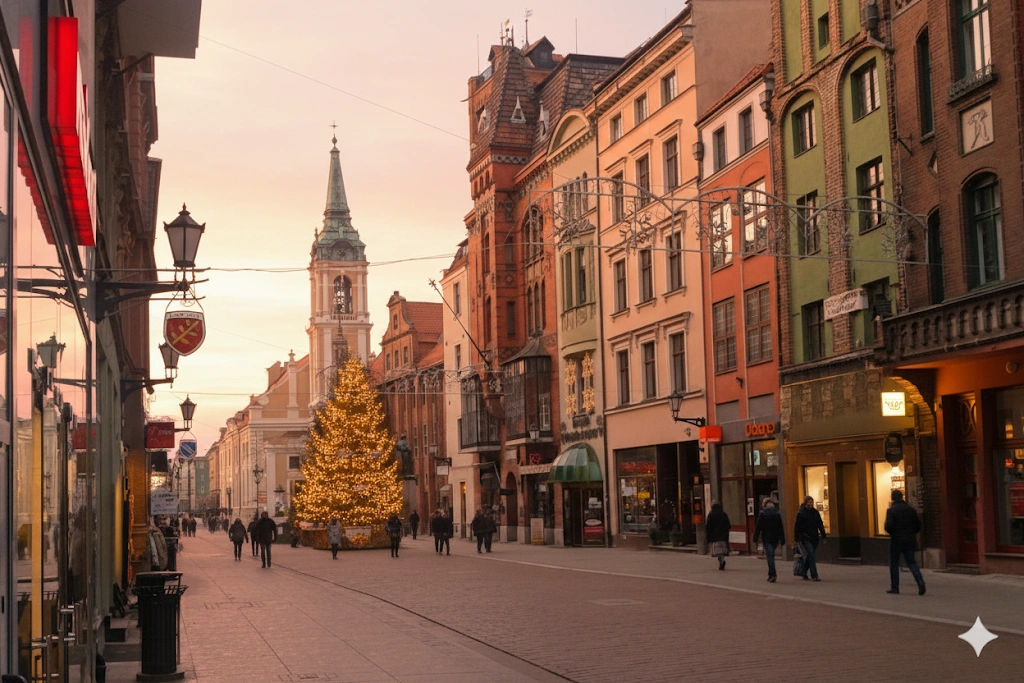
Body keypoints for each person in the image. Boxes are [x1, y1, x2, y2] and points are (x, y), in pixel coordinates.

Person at [885, 490, 926, 595]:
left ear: (893, 498)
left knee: (894, 563)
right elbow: (918, 525)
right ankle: (920, 581)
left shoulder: (891, 510)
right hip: (910, 539)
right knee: (911, 562)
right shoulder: (911, 510)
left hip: (897, 540)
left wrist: (893, 532)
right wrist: (911, 532)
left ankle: (895, 587)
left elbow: (888, 526)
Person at [794, 495, 827, 581]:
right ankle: (814, 575)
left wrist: (823, 536)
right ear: (805, 503)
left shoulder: (815, 512)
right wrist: (796, 539)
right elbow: (797, 527)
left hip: (815, 537)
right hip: (805, 538)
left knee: (810, 555)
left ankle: (804, 571)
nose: (811, 504)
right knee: (811, 553)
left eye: (812, 502)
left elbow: (820, 524)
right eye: (809, 502)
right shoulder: (801, 513)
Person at [753, 500, 785, 582]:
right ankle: (771, 574)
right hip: (775, 538)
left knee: (770, 556)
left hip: (766, 538)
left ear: (765, 505)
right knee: (771, 555)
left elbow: (758, 527)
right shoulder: (777, 514)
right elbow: (781, 527)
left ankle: (773, 574)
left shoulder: (762, 514)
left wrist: (755, 538)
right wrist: (782, 539)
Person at [705, 501, 731, 570]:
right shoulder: (723, 514)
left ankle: (721, 560)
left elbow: (708, 527)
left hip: (715, 536)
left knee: (717, 550)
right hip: (723, 536)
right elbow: (728, 525)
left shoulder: (711, 515)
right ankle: (722, 559)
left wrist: (708, 537)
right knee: (722, 550)